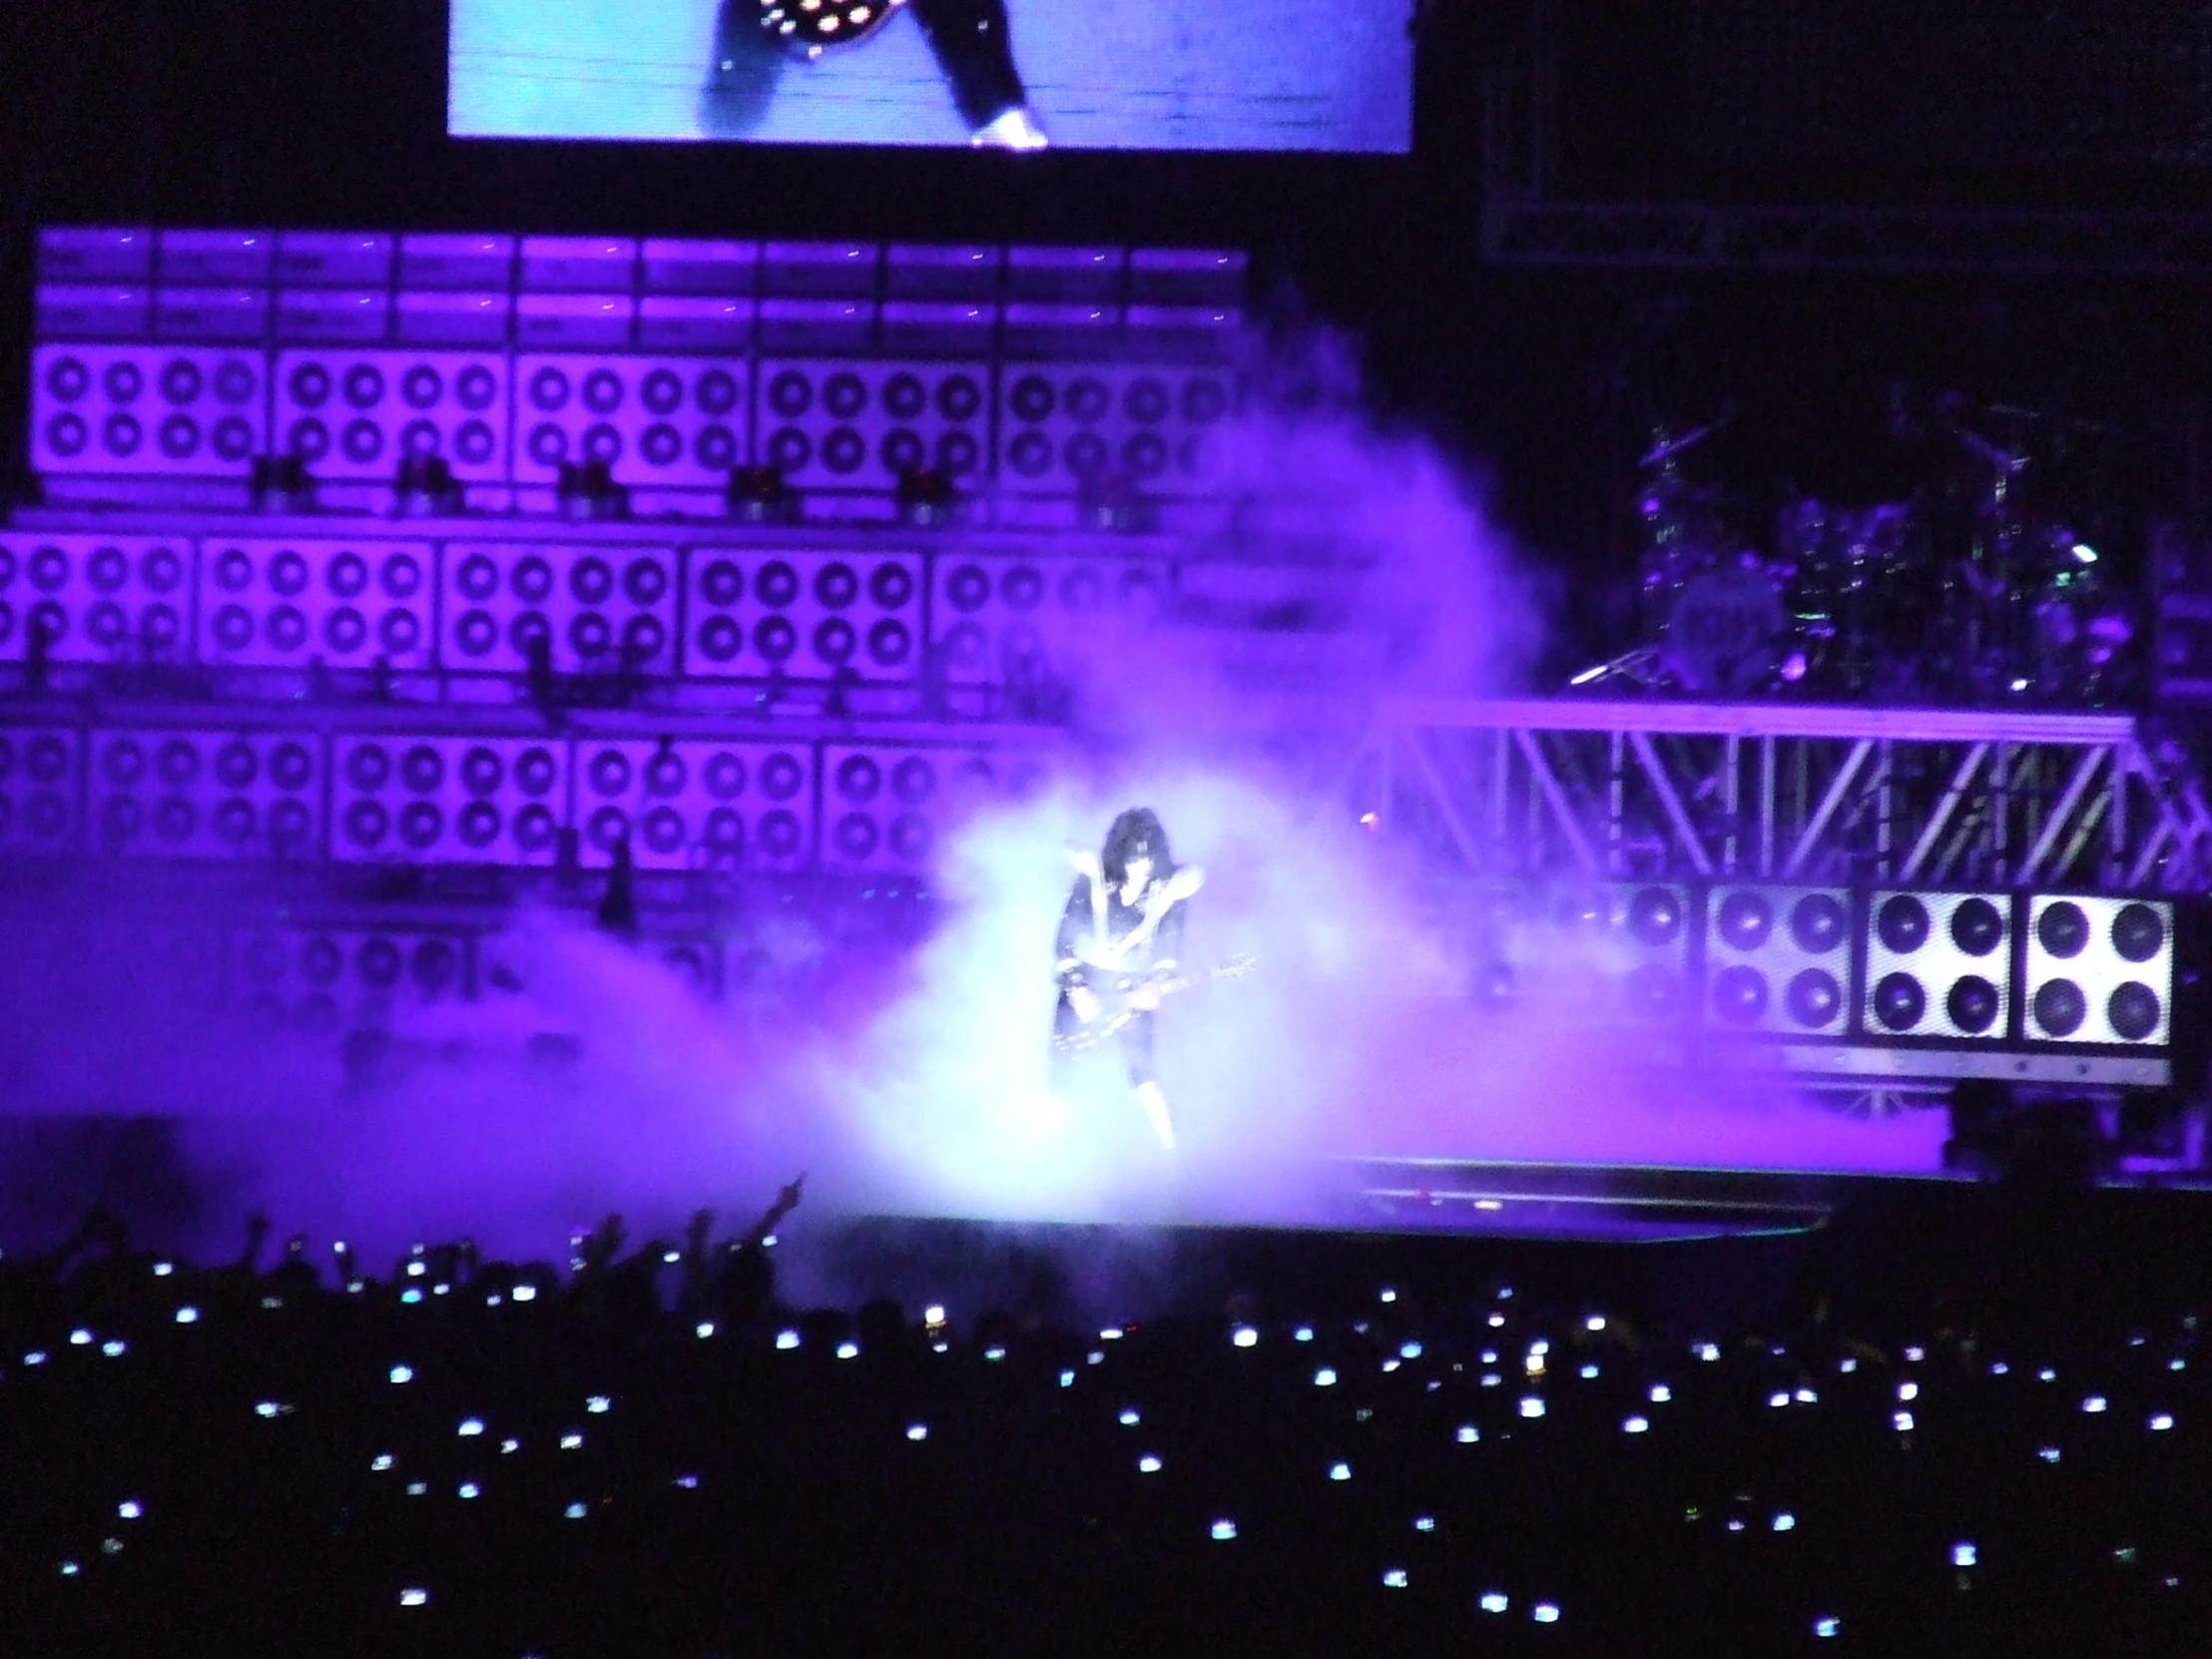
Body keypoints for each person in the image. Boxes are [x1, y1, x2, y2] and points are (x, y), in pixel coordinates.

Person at [1054, 808, 1201, 1151]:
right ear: (1120, 855)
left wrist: (1156, 982)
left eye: (1148, 859)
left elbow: (1170, 945)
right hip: (1084, 982)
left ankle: (1175, 1158)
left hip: (1133, 985)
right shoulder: (1092, 881)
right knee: (1062, 1067)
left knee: (1143, 1073)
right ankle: (1051, 1154)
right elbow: (1064, 943)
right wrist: (1077, 990)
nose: (1141, 868)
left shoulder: (1167, 891)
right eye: (1134, 858)